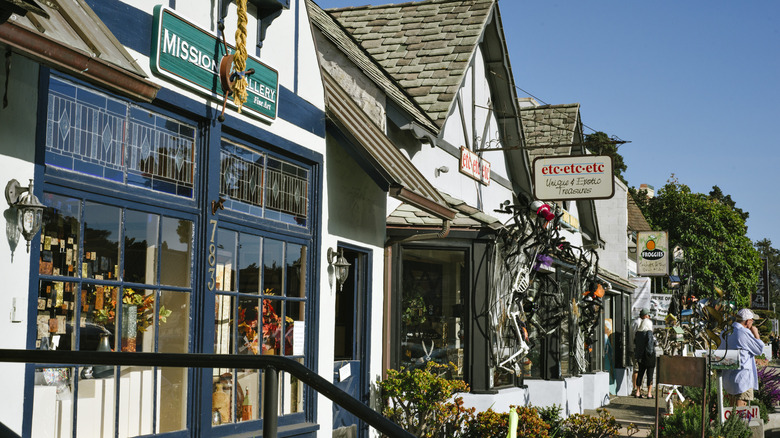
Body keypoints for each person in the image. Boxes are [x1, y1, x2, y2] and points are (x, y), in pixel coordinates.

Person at [720, 308, 765, 407]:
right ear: (748, 321)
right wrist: (756, 334)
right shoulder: (743, 332)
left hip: (729, 377)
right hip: (742, 378)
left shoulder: (726, 332)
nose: (752, 323)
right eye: (752, 321)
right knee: (741, 409)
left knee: (733, 408)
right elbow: (759, 349)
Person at [633, 316, 656, 398]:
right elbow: (650, 344)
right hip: (648, 356)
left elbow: (635, 342)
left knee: (640, 373)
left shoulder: (638, 333)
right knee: (650, 374)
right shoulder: (649, 332)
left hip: (640, 356)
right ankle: (649, 393)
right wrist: (650, 352)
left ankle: (637, 392)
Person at [630, 308, 649, 395]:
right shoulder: (639, 324)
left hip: (633, 348)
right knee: (638, 369)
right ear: (645, 316)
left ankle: (637, 388)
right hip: (638, 349)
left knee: (636, 368)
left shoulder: (634, 322)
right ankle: (636, 388)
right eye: (648, 316)